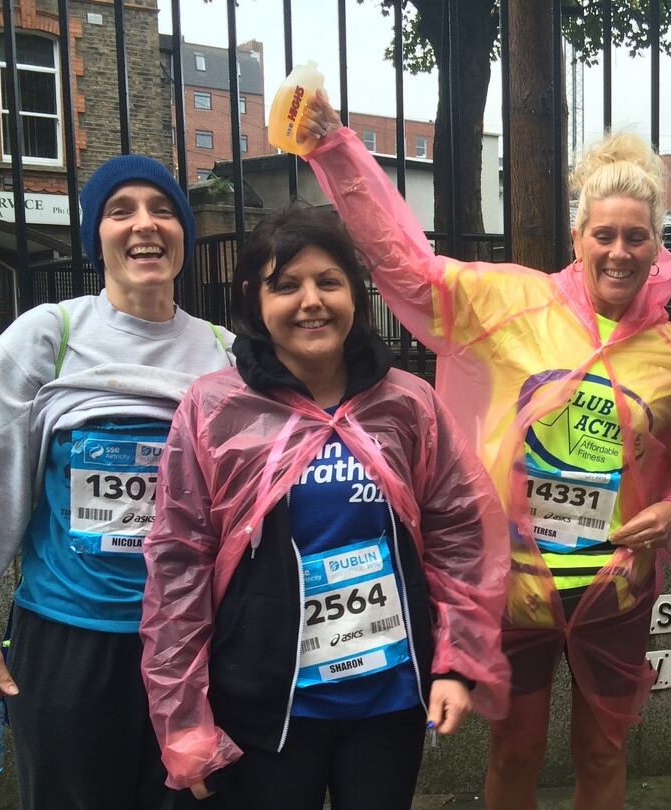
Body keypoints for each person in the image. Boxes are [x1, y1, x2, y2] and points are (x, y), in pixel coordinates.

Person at [299, 93, 671, 810]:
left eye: (636, 237)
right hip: (512, 588)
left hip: (612, 593)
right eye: (603, 234)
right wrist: (336, 150)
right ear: (577, 238)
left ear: (657, 244)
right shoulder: (512, 306)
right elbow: (408, 269)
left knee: (604, 752)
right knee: (513, 752)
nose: (619, 252)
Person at [137, 205, 509, 809]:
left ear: (355, 297)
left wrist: (455, 663)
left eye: (328, 282)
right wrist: (182, 718)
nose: (311, 301)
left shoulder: (407, 405)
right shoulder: (214, 411)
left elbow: (461, 536)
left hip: (388, 699)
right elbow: (178, 566)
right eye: (286, 285)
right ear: (254, 301)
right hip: (266, 706)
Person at [0, 155, 234, 810]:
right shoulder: (50, 338)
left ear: (183, 235)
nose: (145, 224)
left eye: (163, 209)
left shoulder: (225, 354)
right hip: (68, 647)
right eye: (122, 211)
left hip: (193, 648)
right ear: (96, 238)